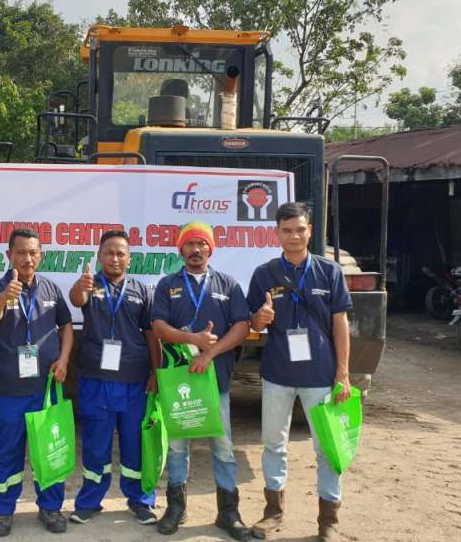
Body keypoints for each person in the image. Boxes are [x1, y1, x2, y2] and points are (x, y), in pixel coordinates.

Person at [246, 202, 352, 542]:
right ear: (276, 233)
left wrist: (343, 373)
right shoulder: (264, 274)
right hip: (277, 374)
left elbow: (340, 323)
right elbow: (252, 324)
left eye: (300, 230)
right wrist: (259, 319)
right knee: (273, 444)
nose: (294, 236)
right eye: (287, 230)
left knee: (327, 449)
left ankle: (328, 521)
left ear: (310, 231)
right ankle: (273, 512)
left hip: (321, 376)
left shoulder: (329, 272)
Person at [151, 221, 252, 541]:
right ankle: (176, 509)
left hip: (215, 379)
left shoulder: (228, 284)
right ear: (180, 250)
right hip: (178, 379)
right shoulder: (167, 284)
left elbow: (242, 327)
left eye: (201, 244)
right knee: (178, 446)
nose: (196, 250)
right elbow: (158, 327)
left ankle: (228, 513)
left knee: (222, 447)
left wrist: (209, 353)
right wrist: (191, 338)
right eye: (189, 244)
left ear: (211, 249)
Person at [0, 228, 73, 537]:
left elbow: (66, 326)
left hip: (46, 388)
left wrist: (63, 360)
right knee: (7, 450)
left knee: (49, 448)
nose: (27, 258)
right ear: (9, 255)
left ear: (40, 255)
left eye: (33, 252)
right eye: (20, 252)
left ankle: (50, 508)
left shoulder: (50, 288)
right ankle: (2, 511)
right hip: (10, 389)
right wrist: (6, 297)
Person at [67, 230, 159, 526]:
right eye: (109, 252)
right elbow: (76, 299)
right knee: (95, 443)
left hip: (134, 380)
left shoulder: (141, 290)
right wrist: (81, 285)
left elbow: (150, 333)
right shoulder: (90, 284)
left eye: (121, 253)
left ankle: (140, 500)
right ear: (99, 256)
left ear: (129, 259)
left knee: (135, 443)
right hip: (96, 379)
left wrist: (156, 372)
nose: (115, 258)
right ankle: (89, 502)